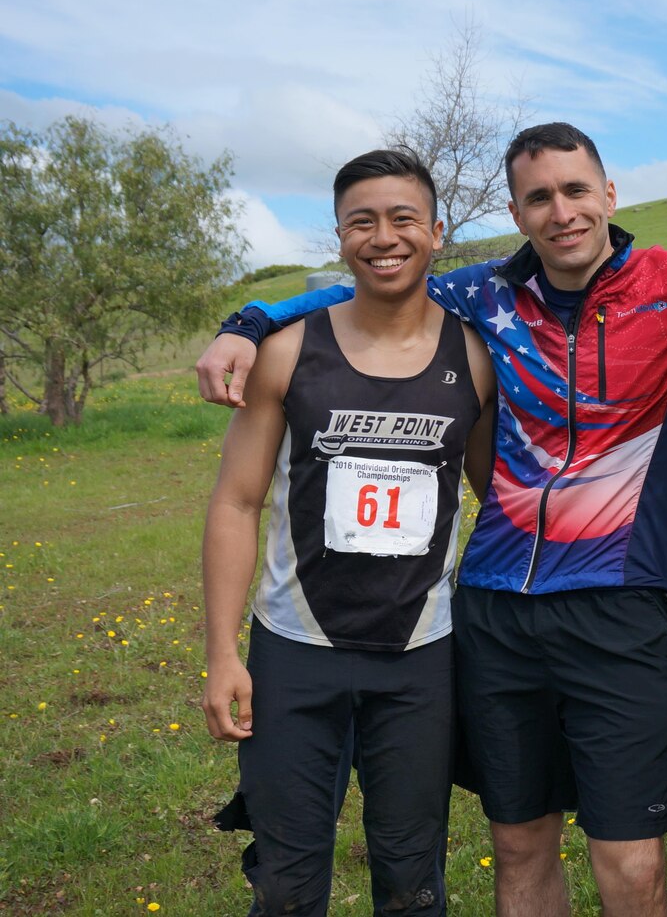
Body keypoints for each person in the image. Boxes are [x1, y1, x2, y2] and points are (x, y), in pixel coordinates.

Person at [194, 124, 667, 917]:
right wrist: (250, 319)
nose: (562, 212)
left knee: (629, 867)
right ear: (517, 213)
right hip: (495, 613)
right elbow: (372, 285)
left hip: (618, 612)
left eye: (576, 190)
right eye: (539, 198)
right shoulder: (483, 294)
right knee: (518, 850)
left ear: (609, 195)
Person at [201, 148, 496, 916]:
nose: (383, 236)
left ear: (436, 232)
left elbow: (499, 500)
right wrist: (224, 653)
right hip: (295, 654)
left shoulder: (473, 357)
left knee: (412, 878)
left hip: (420, 659)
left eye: (402, 219)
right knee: (288, 883)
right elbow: (236, 504)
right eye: (361, 221)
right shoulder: (288, 352)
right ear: (339, 238)